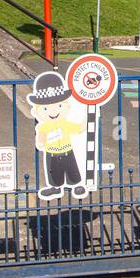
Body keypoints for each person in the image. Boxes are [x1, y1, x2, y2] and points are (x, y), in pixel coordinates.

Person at [28, 70, 85, 200]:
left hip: (67, 152)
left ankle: (76, 185)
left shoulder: (65, 123)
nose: (53, 111)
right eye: (45, 108)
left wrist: (89, 115)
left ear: (66, 106)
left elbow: (79, 128)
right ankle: (55, 187)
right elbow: (41, 137)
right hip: (52, 153)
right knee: (54, 172)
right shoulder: (43, 126)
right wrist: (41, 142)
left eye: (59, 105)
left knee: (72, 170)